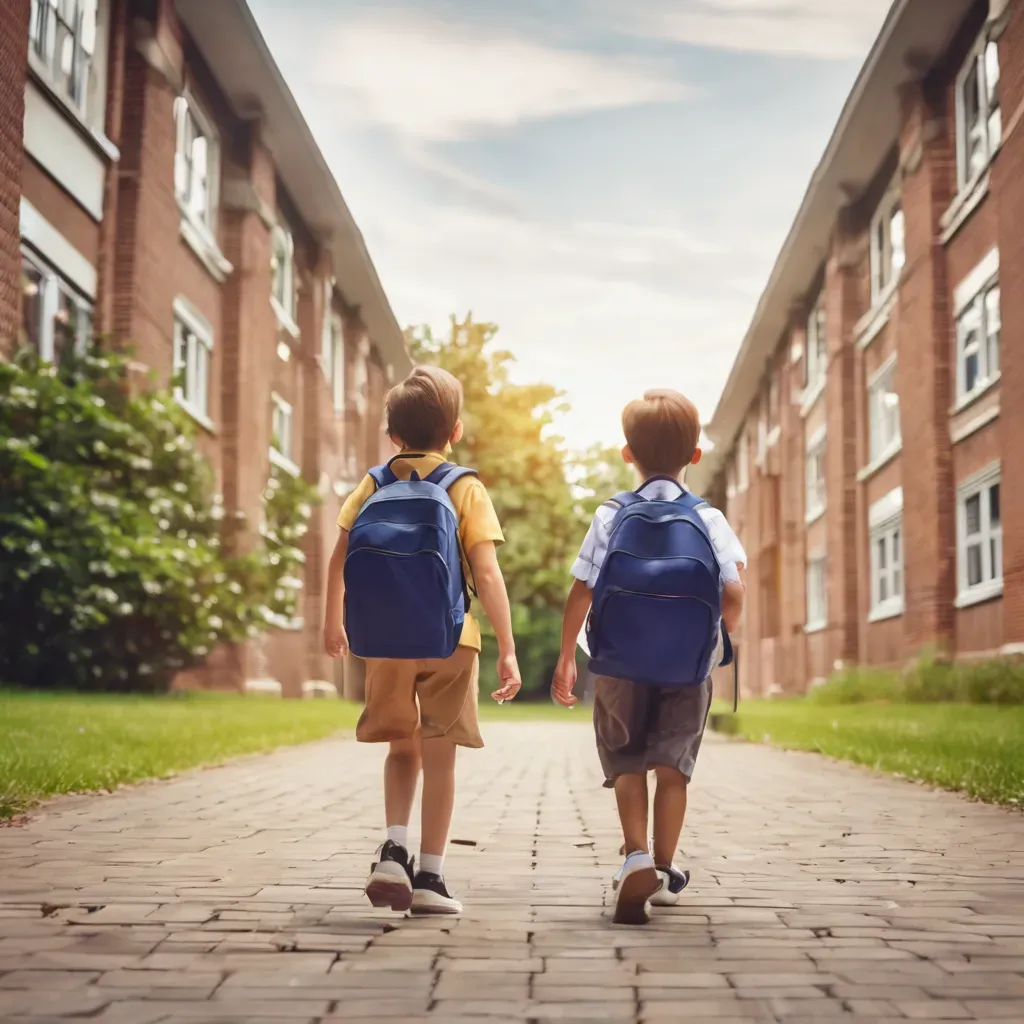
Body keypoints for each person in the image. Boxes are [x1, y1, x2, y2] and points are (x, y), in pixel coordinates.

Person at [323, 365, 521, 916]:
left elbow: (339, 558)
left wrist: (331, 621)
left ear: (393, 435)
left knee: (400, 748)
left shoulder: (374, 482)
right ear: (454, 431)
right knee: (441, 755)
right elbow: (487, 574)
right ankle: (430, 877)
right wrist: (507, 648)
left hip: (385, 641)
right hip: (452, 639)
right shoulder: (465, 486)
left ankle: (393, 848)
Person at [551, 389, 746, 925]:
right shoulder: (708, 518)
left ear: (626, 454)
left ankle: (634, 853)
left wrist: (568, 656)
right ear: (696, 456)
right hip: (687, 665)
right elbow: (733, 593)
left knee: (627, 760)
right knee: (673, 766)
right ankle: (662, 867)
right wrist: (714, 638)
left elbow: (581, 588)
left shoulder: (611, 514)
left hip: (617, 663)